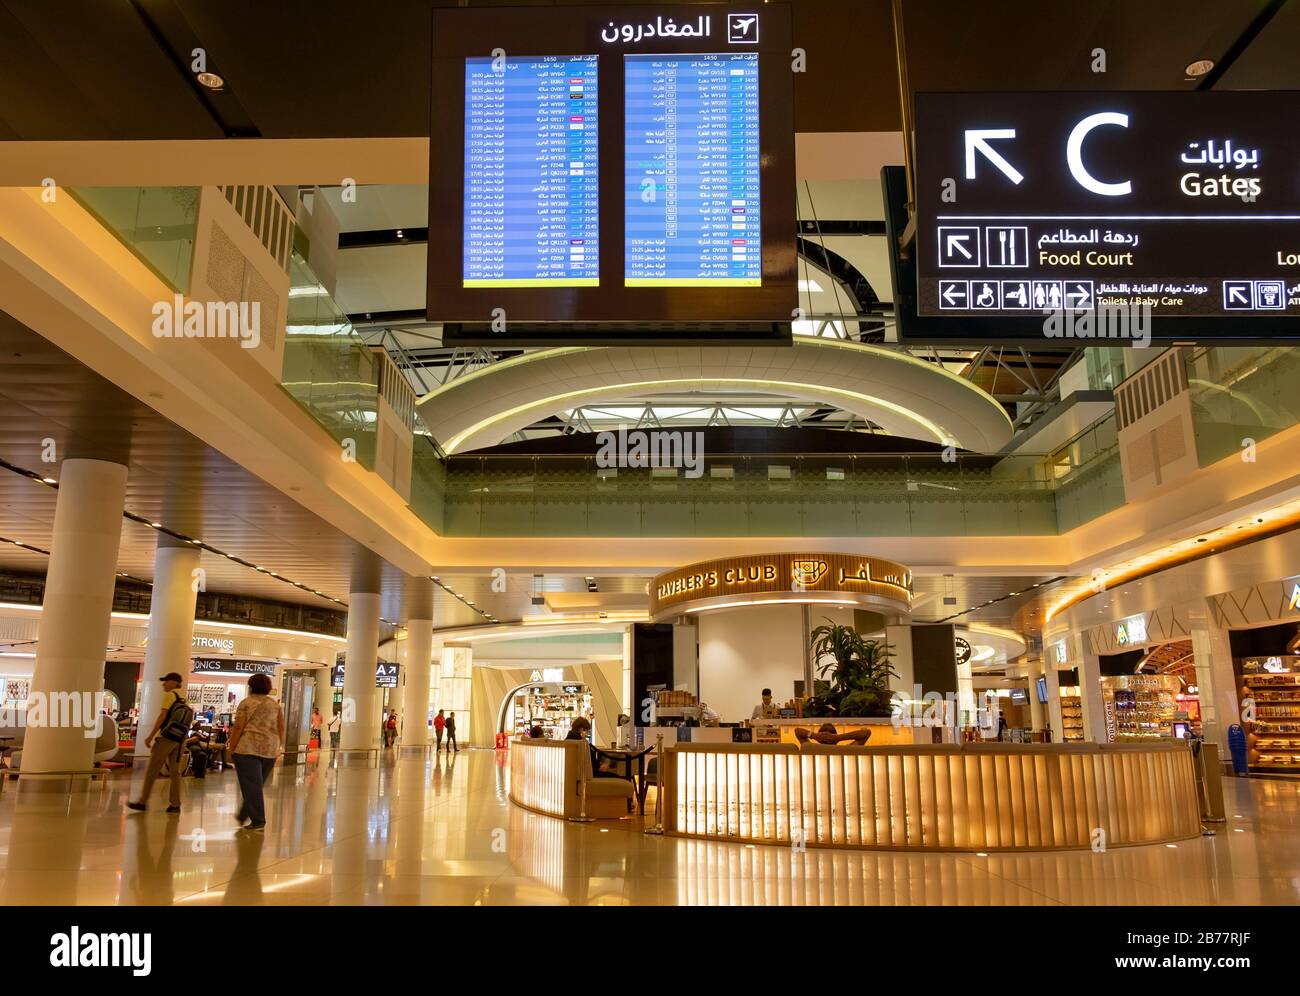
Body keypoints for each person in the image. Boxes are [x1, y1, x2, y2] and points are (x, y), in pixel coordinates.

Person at [127, 672, 190, 814]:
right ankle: (175, 804)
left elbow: (162, 716)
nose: (163, 684)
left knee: (152, 769)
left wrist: (150, 736)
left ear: (174, 682)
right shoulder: (183, 699)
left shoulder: (170, 695)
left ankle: (142, 802)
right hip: (179, 740)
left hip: (166, 738)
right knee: (175, 772)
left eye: (166, 681)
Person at [229, 673, 284, 833]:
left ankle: (258, 820)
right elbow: (280, 727)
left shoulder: (246, 703)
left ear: (251, 685)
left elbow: (238, 727)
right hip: (270, 750)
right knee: (256, 785)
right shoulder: (275, 705)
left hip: (248, 749)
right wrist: (279, 746)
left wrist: (232, 747)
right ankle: (244, 814)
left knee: (251, 785)